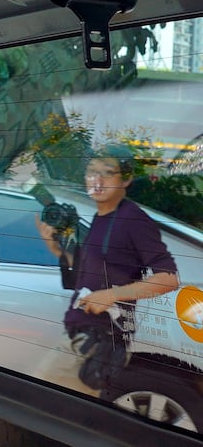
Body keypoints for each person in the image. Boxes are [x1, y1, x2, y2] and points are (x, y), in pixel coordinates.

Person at [35, 143, 179, 395]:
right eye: (91, 171)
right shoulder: (101, 217)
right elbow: (85, 279)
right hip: (83, 337)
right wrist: (57, 250)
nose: (96, 179)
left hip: (96, 342)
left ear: (126, 179)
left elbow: (168, 279)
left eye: (107, 172)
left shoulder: (133, 220)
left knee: (38, 403)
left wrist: (111, 295)